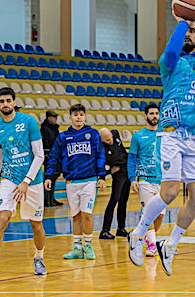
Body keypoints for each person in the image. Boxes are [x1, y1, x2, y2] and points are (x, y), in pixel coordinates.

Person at [127, 0, 195, 276]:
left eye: (193, 32)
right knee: (169, 192)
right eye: (184, 30)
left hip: (194, 137)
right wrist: (183, 21)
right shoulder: (169, 63)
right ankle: (139, 232)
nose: (188, 34)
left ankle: (171, 245)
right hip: (170, 134)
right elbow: (170, 51)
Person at [0, 87, 47, 282]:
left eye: (8, 100)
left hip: (32, 180)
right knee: (2, 219)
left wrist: (26, 182)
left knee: (36, 225)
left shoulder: (28, 122)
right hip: (9, 179)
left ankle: (39, 257)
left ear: (14, 102)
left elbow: (40, 155)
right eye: (1, 101)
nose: (5, 104)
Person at [45, 104, 106, 260]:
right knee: (76, 215)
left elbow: (100, 154)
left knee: (87, 214)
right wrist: (48, 176)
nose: (78, 117)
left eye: (81, 114)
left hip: (89, 181)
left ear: (85, 117)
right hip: (71, 181)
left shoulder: (92, 134)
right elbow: (53, 156)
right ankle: (77, 248)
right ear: (70, 117)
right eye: (75, 114)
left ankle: (88, 245)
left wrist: (102, 176)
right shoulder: (63, 137)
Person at [128, 104, 163, 257]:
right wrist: (132, 178)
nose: (154, 116)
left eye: (156, 113)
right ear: (146, 116)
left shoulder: (164, 135)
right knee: (148, 213)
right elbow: (131, 158)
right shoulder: (138, 136)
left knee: (160, 215)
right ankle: (151, 246)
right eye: (151, 114)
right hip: (145, 180)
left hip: (162, 180)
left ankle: (139, 235)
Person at [99, 128, 130, 239]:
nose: (110, 141)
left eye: (111, 138)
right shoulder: (101, 148)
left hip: (127, 171)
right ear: (102, 140)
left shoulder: (115, 134)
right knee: (114, 200)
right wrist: (108, 172)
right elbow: (99, 165)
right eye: (107, 140)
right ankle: (104, 230)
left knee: (123, 201)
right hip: (118, 174)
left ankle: (121, 229)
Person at [40, 110, 62, 207]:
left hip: (55, 155)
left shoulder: (54, 128)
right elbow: (46, 142)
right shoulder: (44, 129)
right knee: (49, 177)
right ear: (48, 117)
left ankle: (51, 198)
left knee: (54, 177)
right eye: (54, 117)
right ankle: (47, 199)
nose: (56, 119)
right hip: (49, 156)